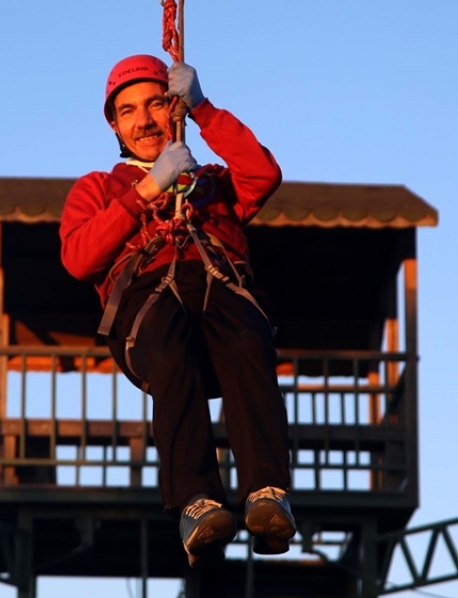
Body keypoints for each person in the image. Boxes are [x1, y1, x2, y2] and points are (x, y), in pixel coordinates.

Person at [60, 55, 295, 566]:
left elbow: (263, 173)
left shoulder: (210, 181)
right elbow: (78, 257)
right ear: (115, 125)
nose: (143, 120)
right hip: (148, 297)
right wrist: (146, 191)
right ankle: (196, 500)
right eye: (128, 111)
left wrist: (206, 110)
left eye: (156, 103)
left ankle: (267, 493)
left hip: (217, 285)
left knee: (246, 338)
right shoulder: (98, 188)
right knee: (167, 351)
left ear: (175, 108)